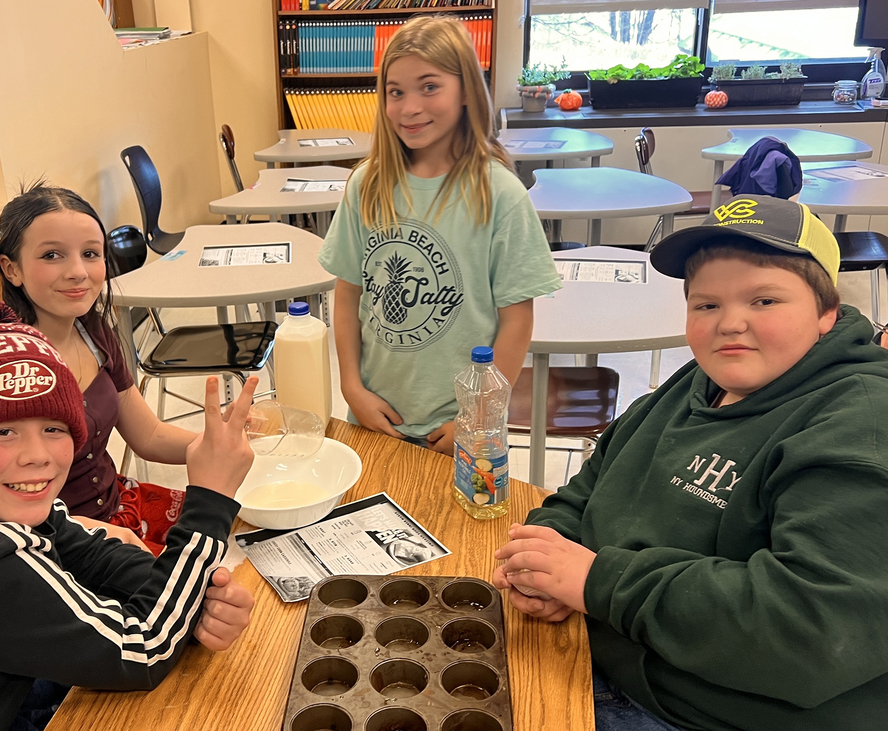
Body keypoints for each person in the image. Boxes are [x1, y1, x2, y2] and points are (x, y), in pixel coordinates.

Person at [493, 195, 888, 731]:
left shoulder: (861, 425)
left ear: (827, 312)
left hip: (696, 711)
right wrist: (540, 561)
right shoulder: (700, 381)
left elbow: (812, 632)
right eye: (706, 305)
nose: (730, 324)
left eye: (764, 301)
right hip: (602, 649)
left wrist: (595, 582)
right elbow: (590, 487)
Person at [0, 297, 257, 731]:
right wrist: (211, 498)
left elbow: (92, 556)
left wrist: (198, 599)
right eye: (4, 431)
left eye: (54, 428)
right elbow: (145, 650)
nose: (38, 457)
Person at [318, 15, 561, 454]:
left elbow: (516, 320)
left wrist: (479, 414)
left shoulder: (499, 193)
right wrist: (351, 387)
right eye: (396, 92)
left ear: (465, 89)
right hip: (374, 417)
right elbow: (348, 293)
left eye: (429, 87)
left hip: (464, 424)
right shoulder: (366, 184)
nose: (410, 107)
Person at [0, 184, 197, 554]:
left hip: (118, 506)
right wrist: (93, 534)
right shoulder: (3, 369)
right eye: (52, 255)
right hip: (54, 542)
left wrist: (218, 442)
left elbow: (148, 435)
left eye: (90, 253)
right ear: (12, 269)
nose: (78, 272)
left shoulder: (93, 330)